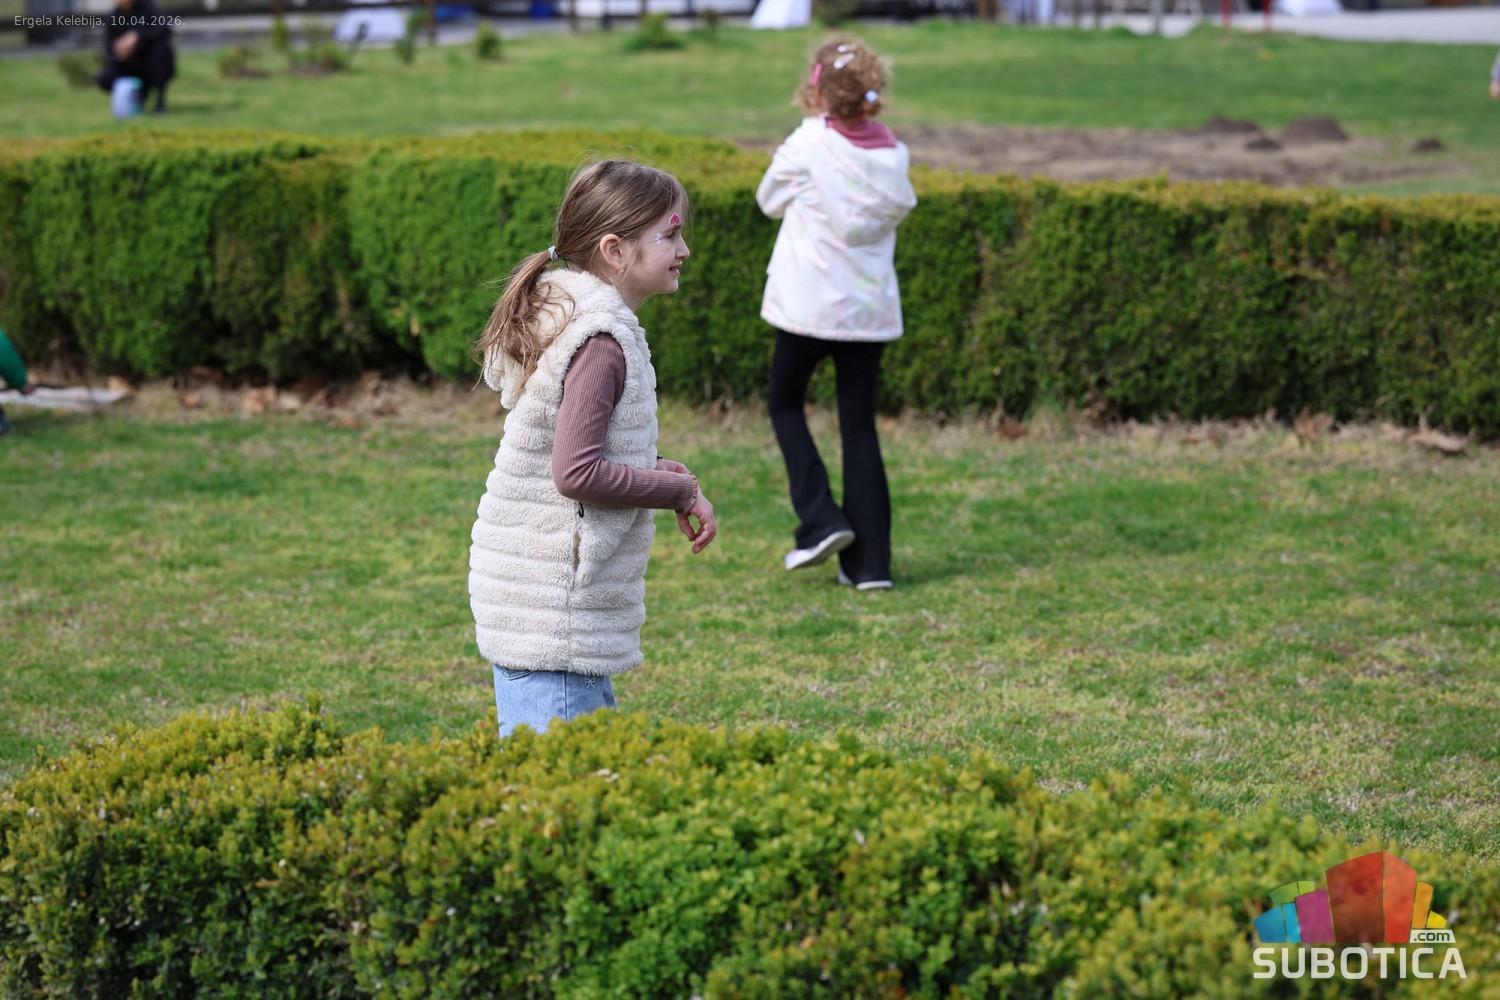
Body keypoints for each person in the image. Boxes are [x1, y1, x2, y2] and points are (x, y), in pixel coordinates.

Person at [469, 159, 717, 738]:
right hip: (554, 612)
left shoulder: (572, 313)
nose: (684, 250)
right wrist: (679, 489)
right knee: (559, 781)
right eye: (670, 235)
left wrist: (659, 472)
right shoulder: (600, 339)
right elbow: (577, 473)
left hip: (544, 602)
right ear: (614, 250)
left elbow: (578, 453)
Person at [757, 36, 917, 592]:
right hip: (868, 311)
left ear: (818, 91)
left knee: (784, 403)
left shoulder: (808, 144)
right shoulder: (894, 155)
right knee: (859, 424)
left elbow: (768, 200)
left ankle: (821, 518)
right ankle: (871, 567)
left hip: (808, 304)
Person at [95, 0, 176, 115]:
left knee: (160, 49)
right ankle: (135, 96)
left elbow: (165, 29)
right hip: (128, 64)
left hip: (150, 61)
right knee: (104, 78)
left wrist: (138, 37)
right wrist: (120, 53)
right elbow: (109, 49)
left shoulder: (148, 8)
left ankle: (159, 101)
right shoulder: (113, 17)